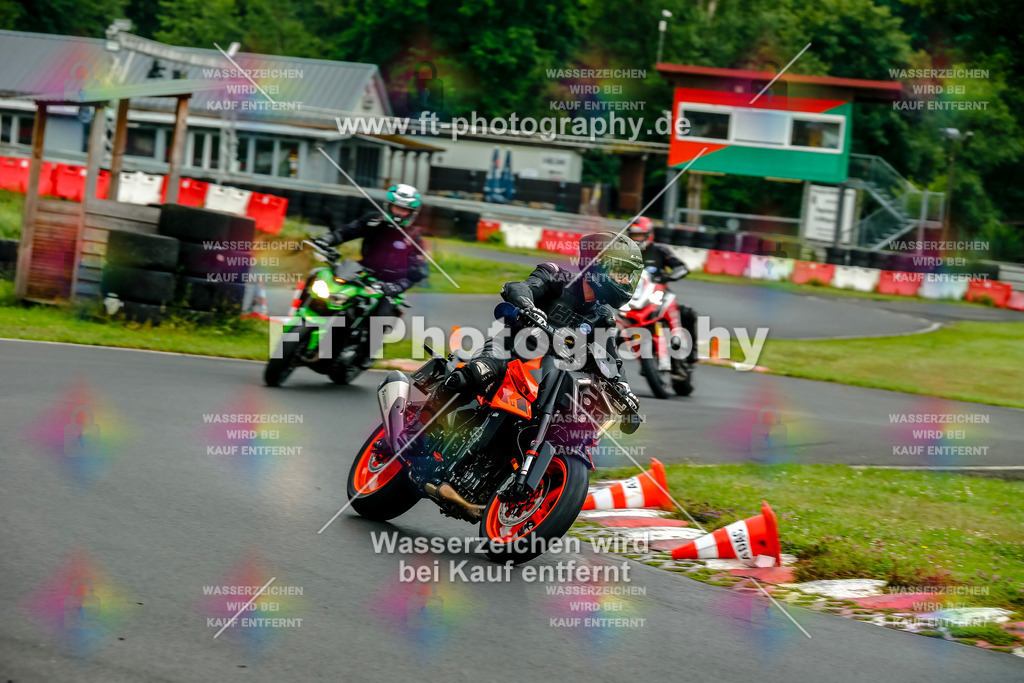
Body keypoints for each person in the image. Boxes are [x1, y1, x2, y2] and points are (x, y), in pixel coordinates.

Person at [438, 231, 643, 415]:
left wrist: (624, 390)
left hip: (548, 378)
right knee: (476, 374)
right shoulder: (555, 277)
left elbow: (611, 361)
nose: (625, 281)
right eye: (620, 273)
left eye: (629, 276)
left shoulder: (604, 318)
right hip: (509, 353)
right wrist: (529, 308)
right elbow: (518, 287)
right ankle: (421, 423)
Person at [314, 183, 427, 319]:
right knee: (319, 275)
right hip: (362, 271)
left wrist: (397, 286)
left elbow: (416, 271)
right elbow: (348, 231)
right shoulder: (373, 220)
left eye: (404, 210)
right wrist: (327, 239)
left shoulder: (413, 237)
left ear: (411, 213)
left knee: (377, 320)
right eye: (397, 207)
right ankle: (302, 314)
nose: (399, 213)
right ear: (389, 206)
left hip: (389, 284)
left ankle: (371, 339)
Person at [626, 217, 698, 369]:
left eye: (639, 236)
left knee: (687, 313)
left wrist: (670, 276)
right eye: (633, 236)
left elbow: (680, 267)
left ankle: (691, 352)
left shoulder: (659, 250)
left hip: (659, 295)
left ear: (649, 234)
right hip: (633, 300)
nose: (636, 239)